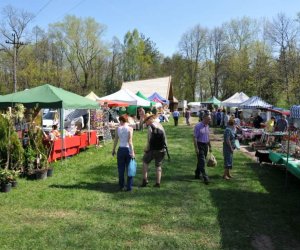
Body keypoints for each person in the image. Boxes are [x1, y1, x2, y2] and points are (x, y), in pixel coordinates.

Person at [141, 114, 167, 188]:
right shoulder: (160, 125)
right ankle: (158, 183)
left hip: (152, 150)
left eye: (146, 121)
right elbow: (164, 138)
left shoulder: (150, 127)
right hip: (161, 149)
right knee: (158, 166)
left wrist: (146, 149)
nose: (146, 123)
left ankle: (145, 180)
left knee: (145, 162)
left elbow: (149, 141)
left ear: (149, 119)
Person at [112, 115, 135, 191]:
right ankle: (129, 187)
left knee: (121, 169)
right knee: (130, 168)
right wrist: (133, 152)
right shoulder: (130, 128)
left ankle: (121, 185)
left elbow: (115, 140)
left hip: (121, 149)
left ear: (121, 121)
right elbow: (130, 142)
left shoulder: (117, 128)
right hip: (128, 149)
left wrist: (113, 149)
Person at [194, 113, 212, 184]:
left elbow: (208, 137)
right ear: (204, 118)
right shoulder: (198, 126)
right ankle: (205, 177)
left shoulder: (207, 126)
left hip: (205, 146)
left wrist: (210, 146)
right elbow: (195, 137)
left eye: (210, 119)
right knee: (202, 161)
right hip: (199, 145)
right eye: (208, 119)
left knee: (200, 161)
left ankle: (197, 174)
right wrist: (196, 148)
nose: (210, 120)